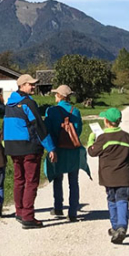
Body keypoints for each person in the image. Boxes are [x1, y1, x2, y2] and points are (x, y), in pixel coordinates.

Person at [4, 74, 56, 228]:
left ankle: (19, 212)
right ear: (22, 85)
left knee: (19, 180)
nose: (33, 87)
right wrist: (51, 148)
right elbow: (39, 127)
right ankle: (28, 216)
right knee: (31, 182)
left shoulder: (9, 104)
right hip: (29, 147)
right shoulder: (28, 103)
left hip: (13, 147)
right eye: (30, 84)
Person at [87, 107, 129, 244]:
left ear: (106, 121)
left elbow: (92, 152)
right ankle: (121, 226)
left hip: (108, 177)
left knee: (112, 200)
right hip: (124, 176)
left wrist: (91, 140)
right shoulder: (126, 136)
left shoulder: (103, 138)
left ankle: (116, 226)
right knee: (123, 200)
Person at [44, 85, 88, 222]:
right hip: (73, 150)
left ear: (58, 96)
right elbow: (78, 131)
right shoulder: (76, 111)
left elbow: (47, 130)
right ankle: (73, 211)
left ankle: (58, 207)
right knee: (73, 181)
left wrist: (52, 147)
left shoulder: (50, 111)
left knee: (58, 179)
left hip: (58, 149)